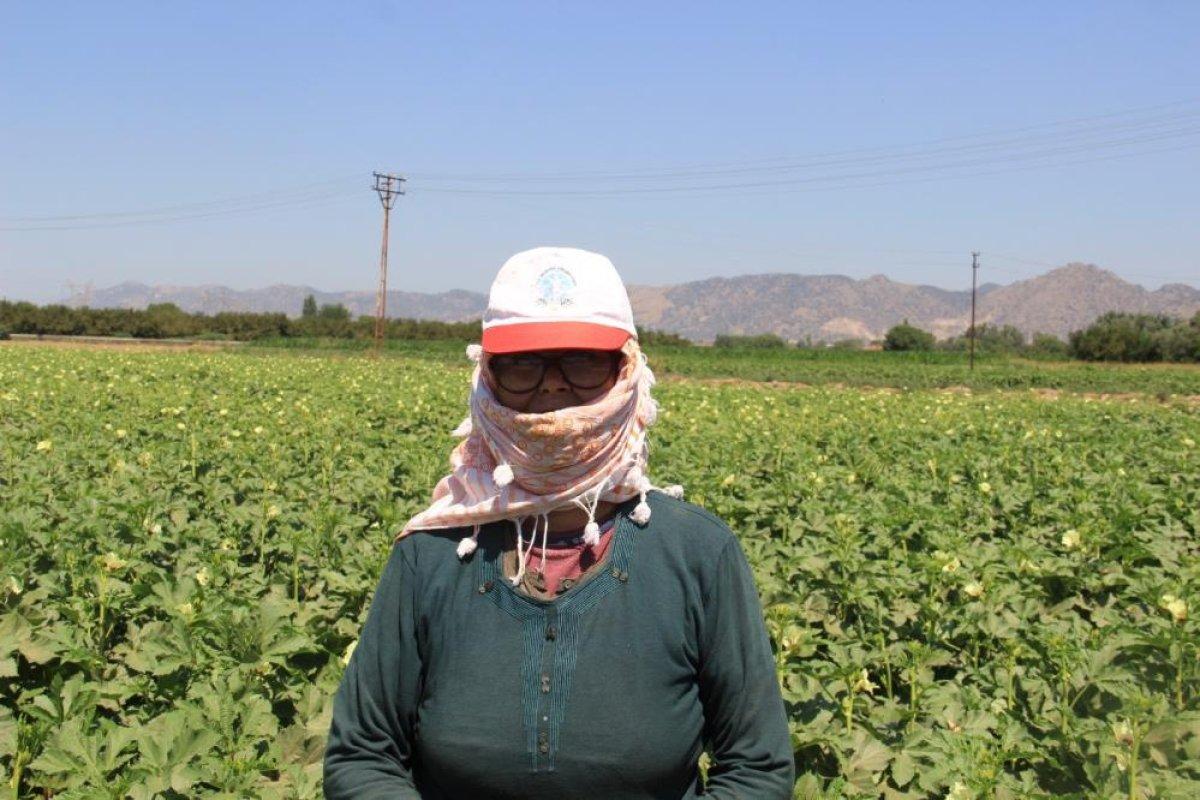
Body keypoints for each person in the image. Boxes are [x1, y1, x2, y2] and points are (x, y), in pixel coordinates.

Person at [323, 246, 794, 799]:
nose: (551, 387)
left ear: (627, 371)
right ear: (486, 379)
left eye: (582, 361)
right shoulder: (432, 554)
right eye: (522, 365)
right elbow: (361, 758)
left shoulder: (699, 554)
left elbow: (757, 771)